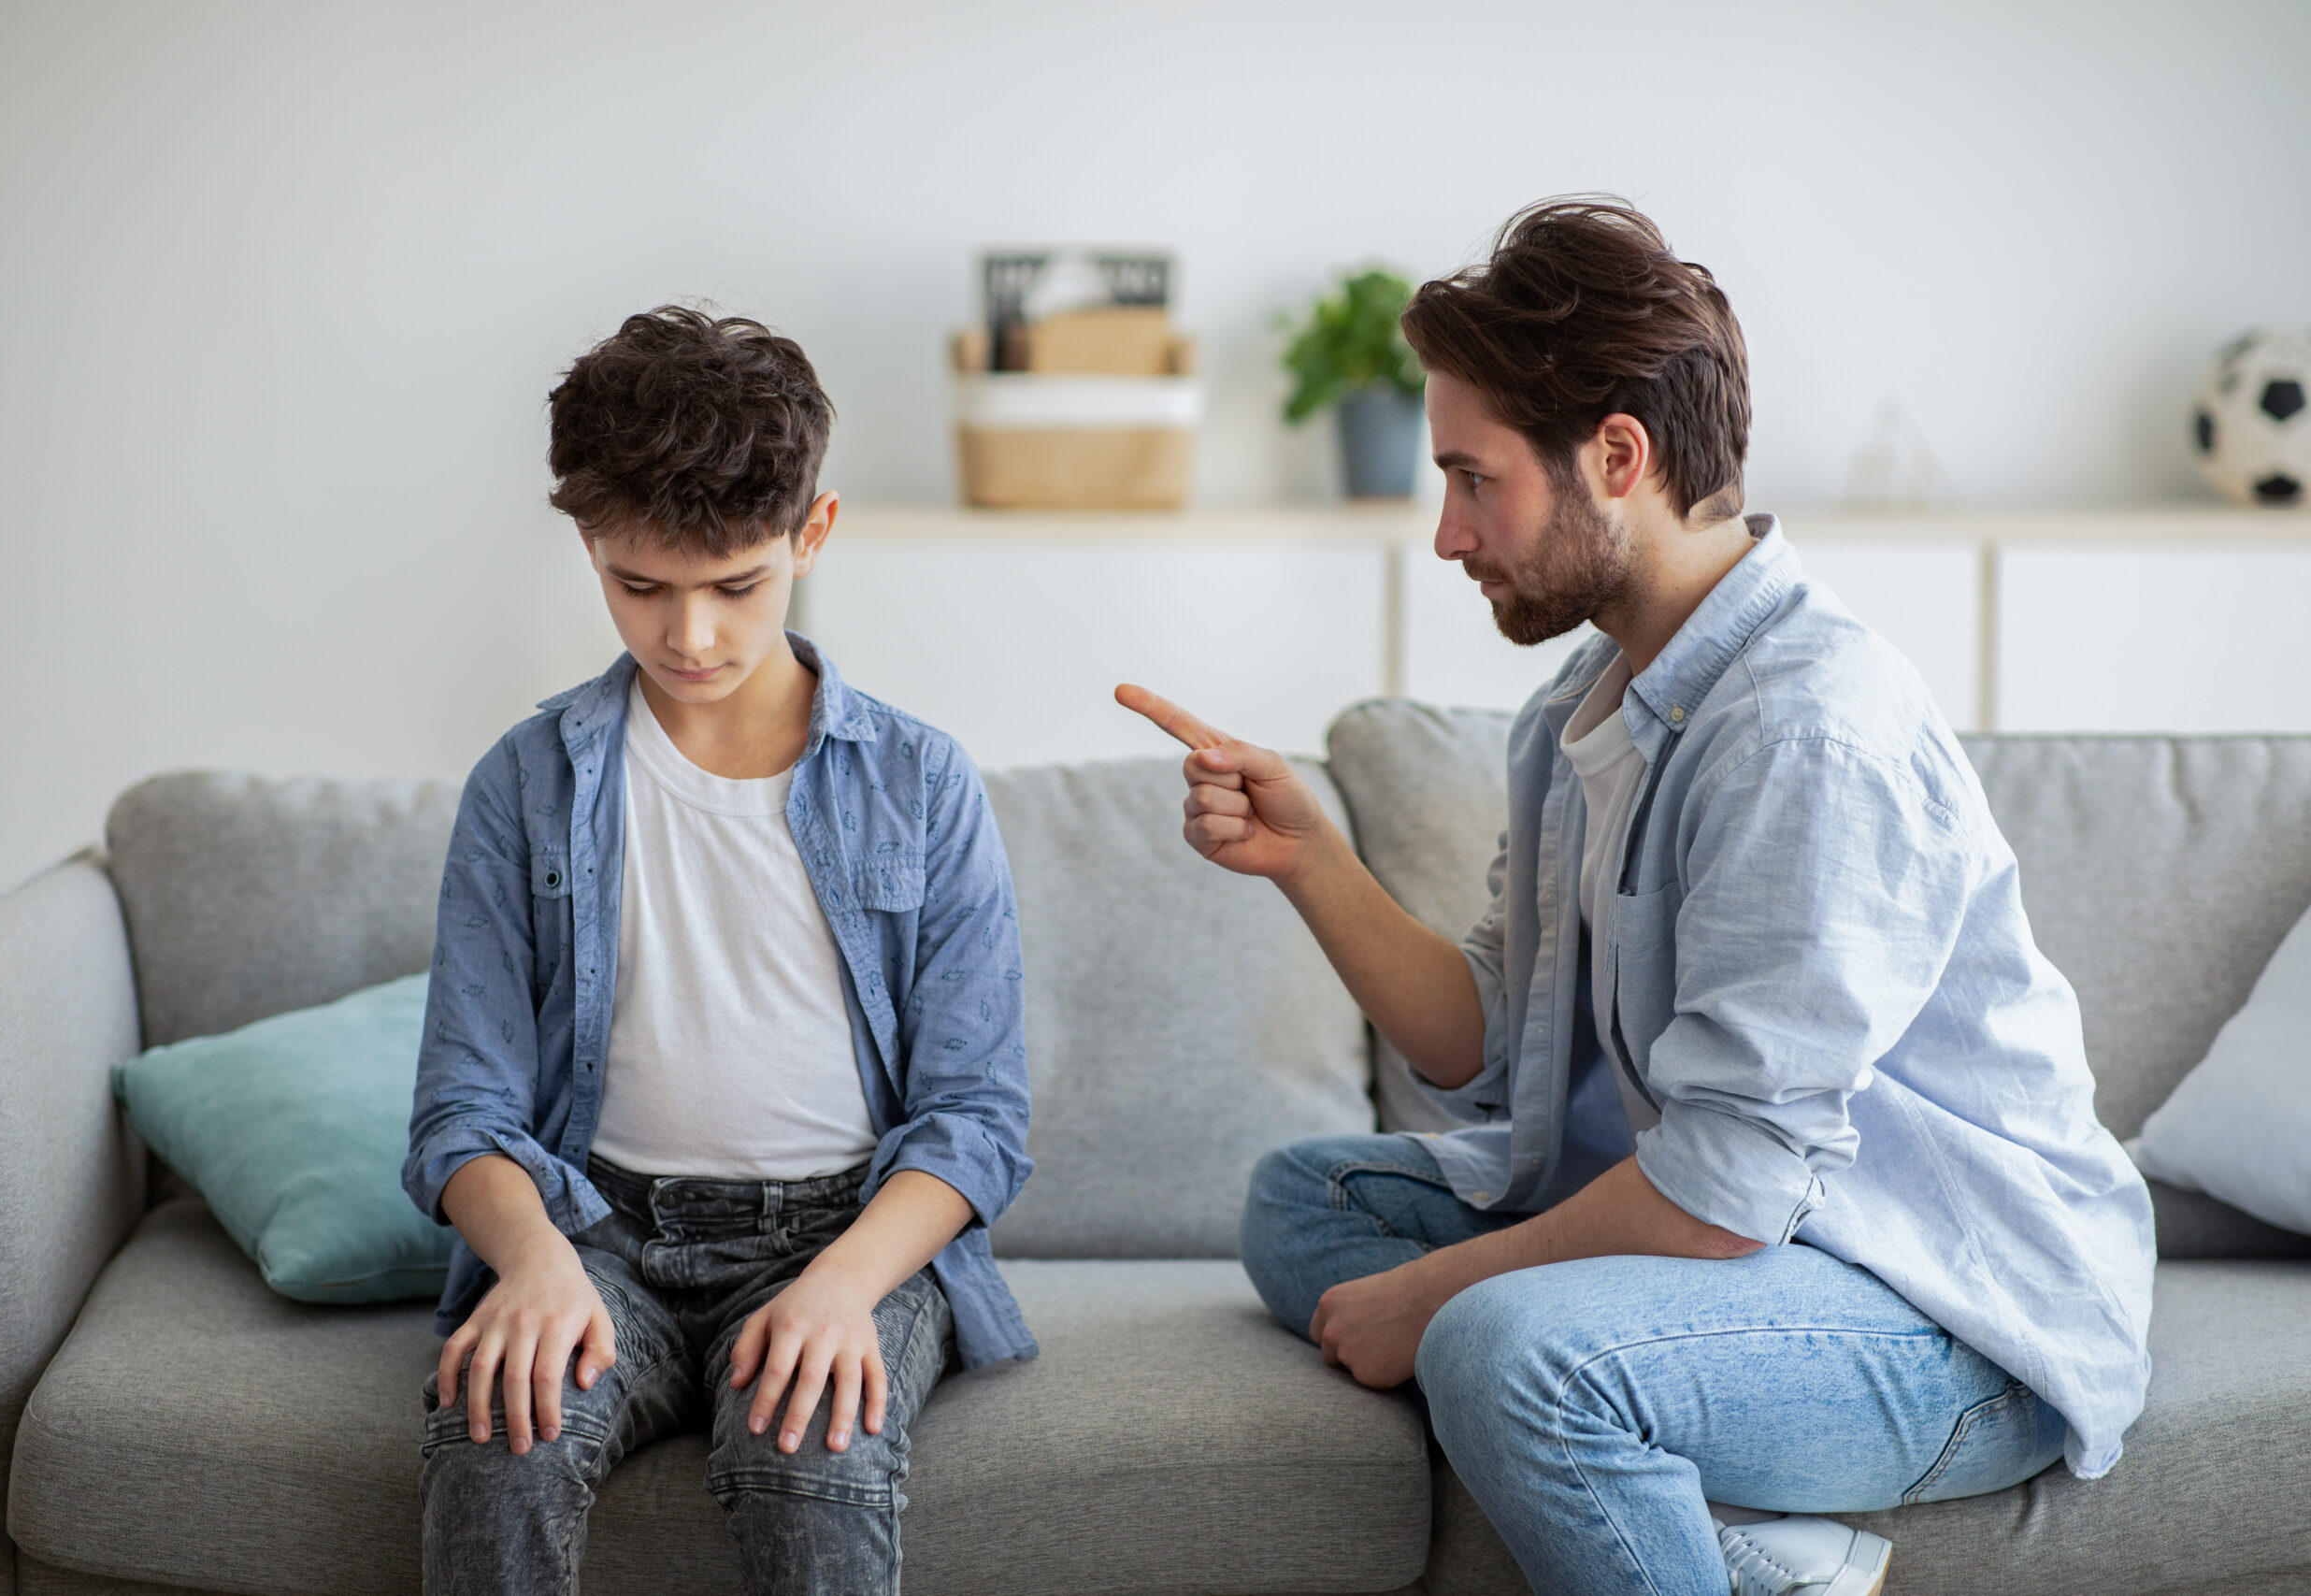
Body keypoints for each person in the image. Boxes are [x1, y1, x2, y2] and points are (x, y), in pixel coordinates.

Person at [1117, 199, 2152, 1596]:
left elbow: (1727, 1192)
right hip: (1755, 1246)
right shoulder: (1578, 709)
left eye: (1473, 479)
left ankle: (1618, 1457)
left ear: (1617, 457)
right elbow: (1484, 1047)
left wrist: (1440, 1297)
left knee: (1498, 1344)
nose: (1444, 535)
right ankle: (1722, 1535)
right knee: (1303, 1206)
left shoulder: (1808, 729)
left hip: (1942, 1314)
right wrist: (1314, 859)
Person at [404, 306, 1034, 1596]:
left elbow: (977, 1119)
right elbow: (462, 1110)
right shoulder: (524, 788)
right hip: (599, 1230)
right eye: (642, 586)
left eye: (736, 585)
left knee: (809, 1451)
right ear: (589, 544)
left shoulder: (920, 782)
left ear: (815, 532)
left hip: (840, 1229)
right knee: (495, 1432)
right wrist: (531, 1265)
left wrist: (846, 1287)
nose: (690, 637)